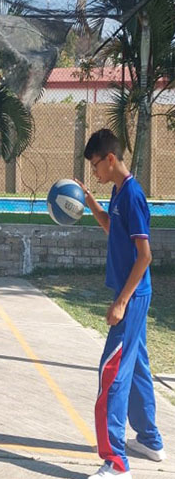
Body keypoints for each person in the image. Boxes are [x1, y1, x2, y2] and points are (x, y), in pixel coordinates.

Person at [75, 129, 165, 479]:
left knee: (110, 375)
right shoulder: (117, 192)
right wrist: (92, 205)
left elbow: (145, 255)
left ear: (110, 159)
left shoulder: (132, 195)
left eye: (95, 165)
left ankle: (116, 462)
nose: (94, 172)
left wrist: (121, 303)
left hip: (132, 297)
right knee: (137, 366)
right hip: (133, 296)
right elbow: (115, 229)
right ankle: (150, 441)